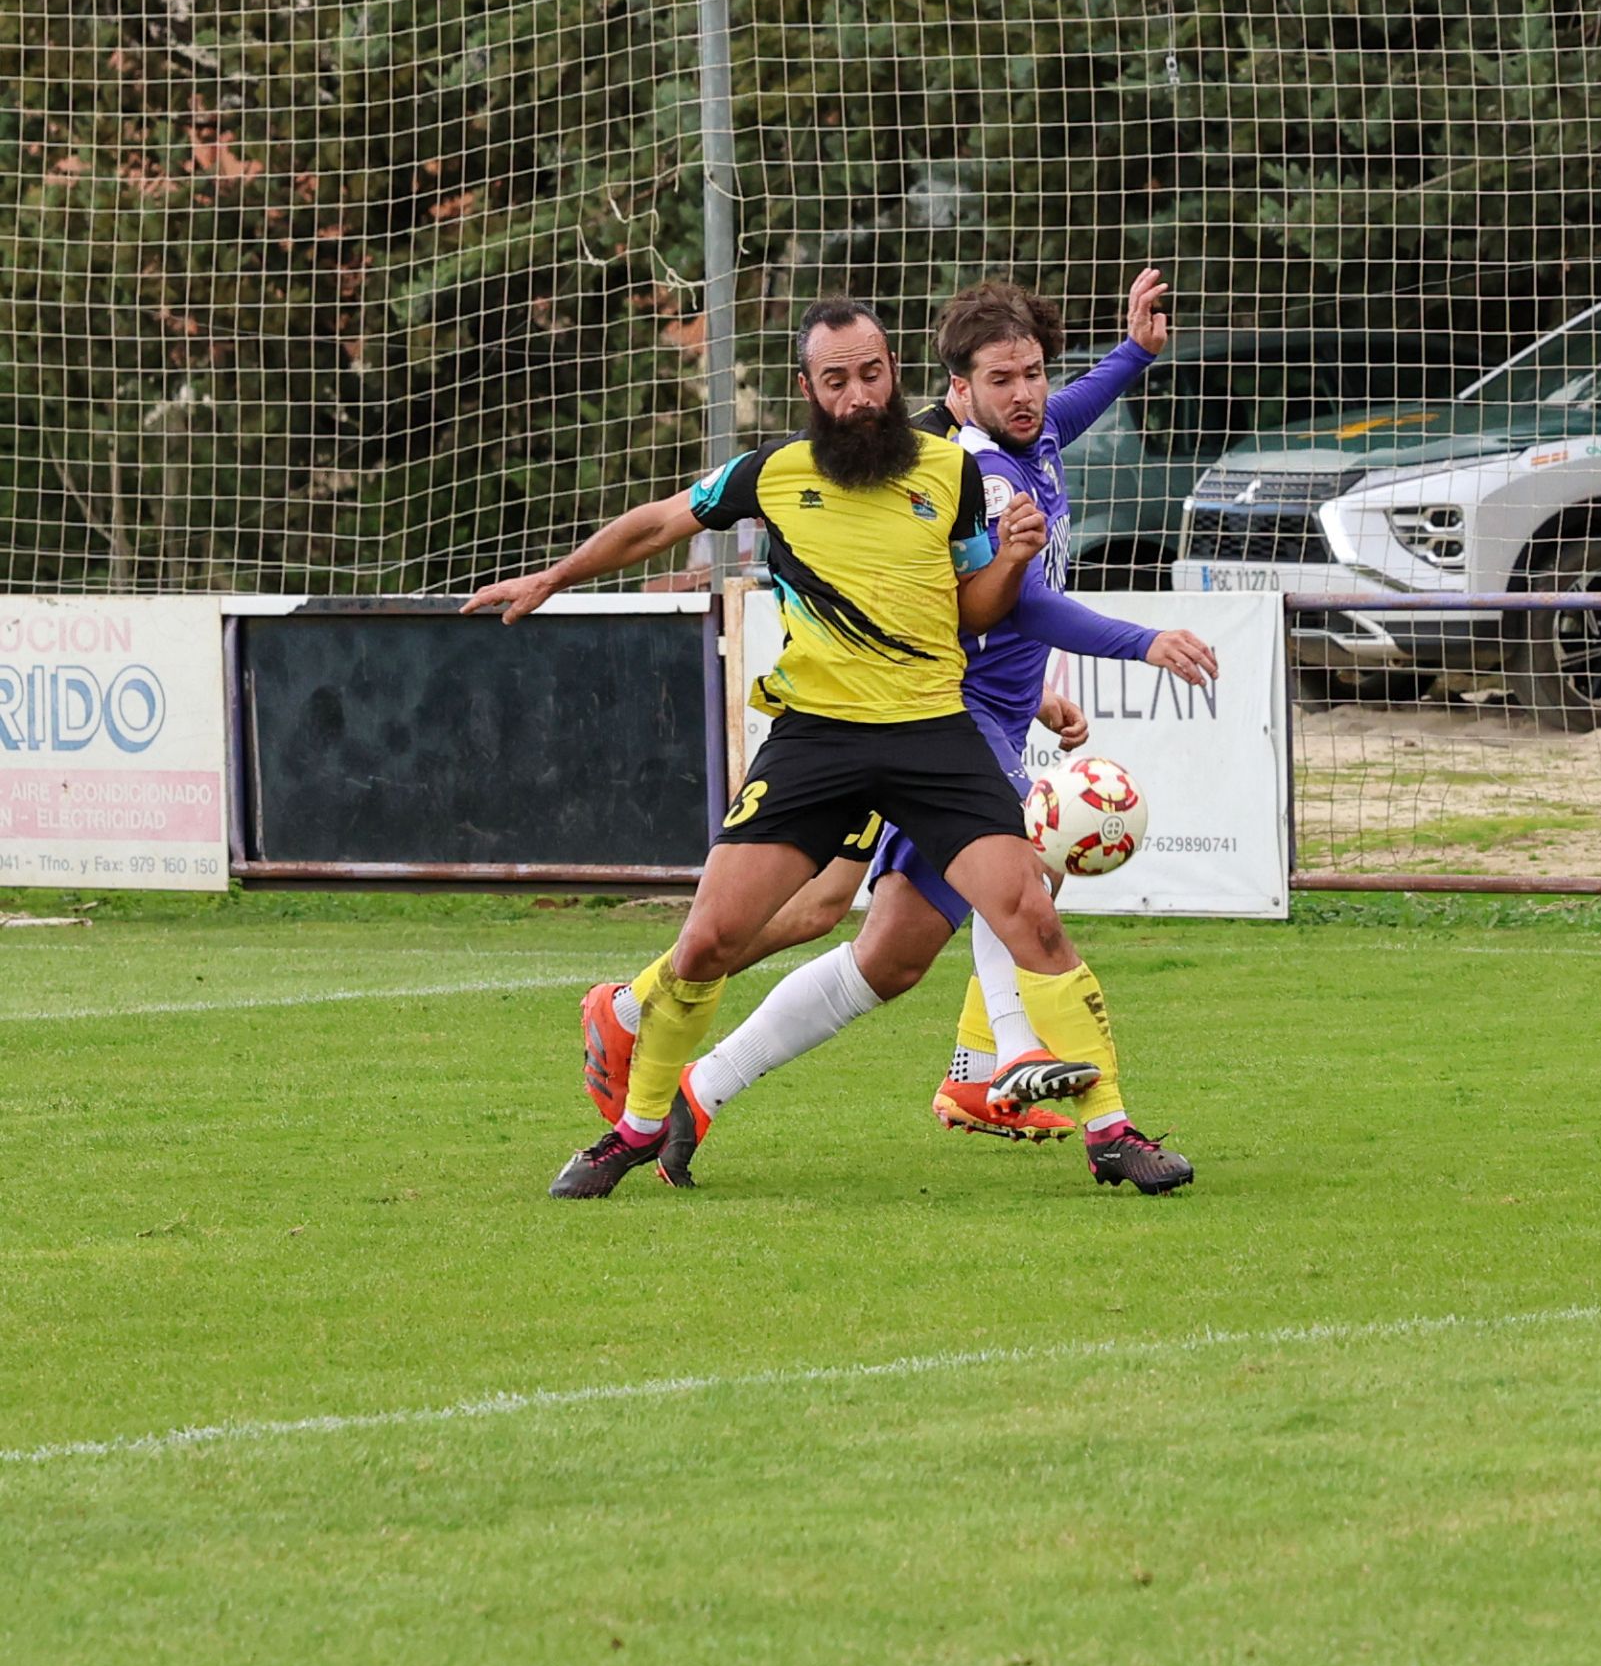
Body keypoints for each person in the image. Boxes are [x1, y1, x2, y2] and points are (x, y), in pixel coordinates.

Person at [464, 296, 1140, 1198]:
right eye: (836, 380)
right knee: (713, 940)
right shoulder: (772, 473)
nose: (858, 395)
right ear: (810, 390)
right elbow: (659, 522)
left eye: (870, 374)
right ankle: (641, 1115)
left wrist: (1010, 562)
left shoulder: (949, 473)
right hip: (818, 739)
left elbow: (972, 610)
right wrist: (555, 576)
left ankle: (1105, 1127)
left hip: (930, 735)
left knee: (1019, 911)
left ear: (892, 372)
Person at [642, 276, 1215, 1195]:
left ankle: (699, 1090)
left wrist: (1136, 353)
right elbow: (1018, 605)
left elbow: (1072, 406)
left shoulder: (1035, 431)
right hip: (944, 723)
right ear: (958, 393)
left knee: (887, 959)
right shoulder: (976, 472)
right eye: (1002, 378)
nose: (1026, 391)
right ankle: (1042, 1080)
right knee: (1018, 880)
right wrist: (1145, 641)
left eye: (1032, 372)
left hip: (974, 713)